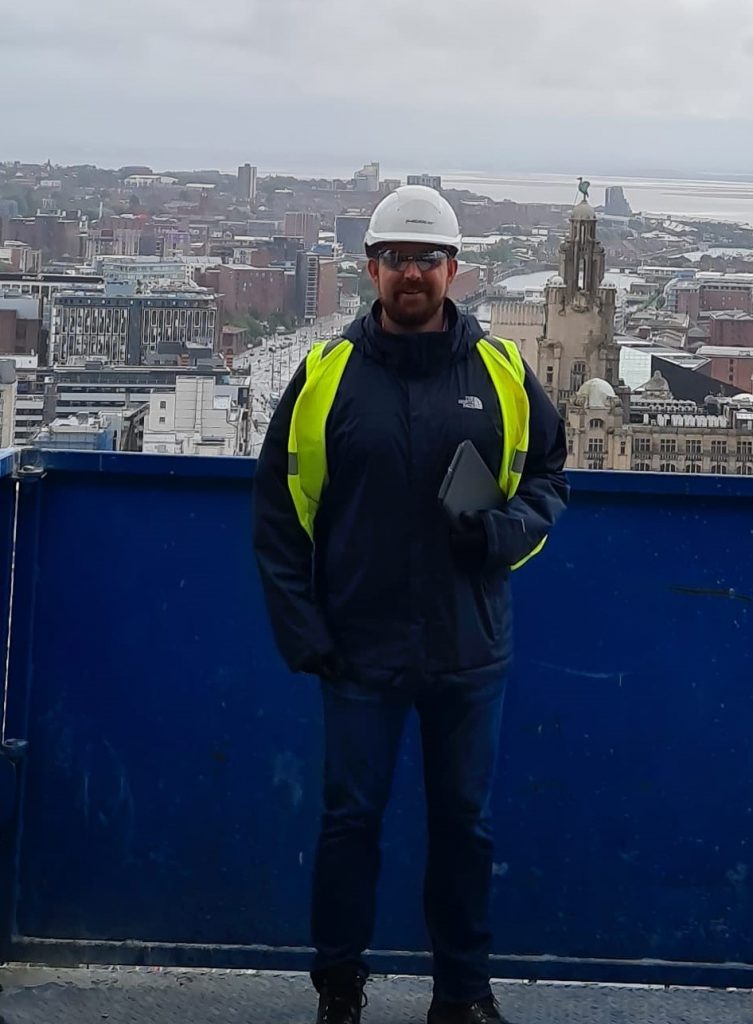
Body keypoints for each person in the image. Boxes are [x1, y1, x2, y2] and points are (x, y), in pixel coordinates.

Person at [253, 185, 569, 1024]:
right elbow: (279, 513)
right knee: (349, 823)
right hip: (358, 648)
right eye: (395, 258)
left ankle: (461, 993)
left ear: (453, 269)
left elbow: (548, 481)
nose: (412, 274)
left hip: (468, 648)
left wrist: (500, 536)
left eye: (427, 259)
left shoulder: (501, 373)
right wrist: (303, 629)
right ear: (371, 269)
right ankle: (338, 987)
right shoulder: (326, 377)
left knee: (465, 827)